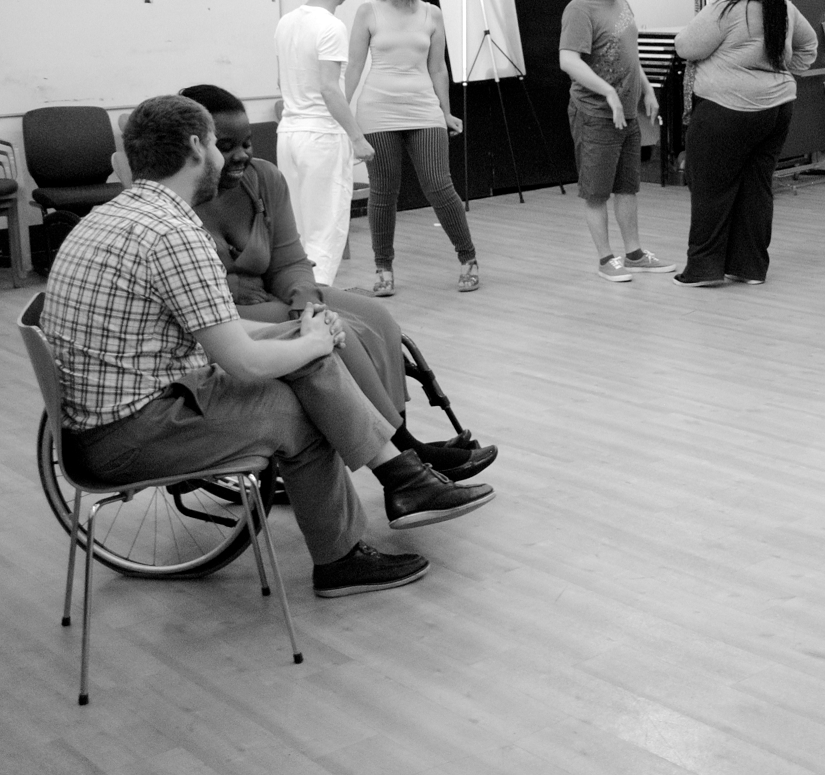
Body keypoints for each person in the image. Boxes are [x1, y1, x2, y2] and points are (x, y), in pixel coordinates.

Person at [41, 95, 494, 598]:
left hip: (114, 412)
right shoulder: (173, 232)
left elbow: (219, 330)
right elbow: (243, 360)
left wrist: (306, 338)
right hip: (127, 435)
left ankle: (401, 478)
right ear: (196, 145)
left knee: (309, 351)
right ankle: (357, 536)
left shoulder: (116, 213)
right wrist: (309, 341)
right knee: (301, 412)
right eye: (216, 142)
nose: (222, 154)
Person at [178, 84, 497, 482]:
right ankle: (405, 450)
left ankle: (400, 430)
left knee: (377, 316)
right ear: (199, 146)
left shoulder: (264, 178)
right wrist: (314, 318)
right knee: (341, 330)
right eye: (226, 146)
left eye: (246, 142)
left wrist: (306, 306)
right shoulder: (178, 199)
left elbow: (290, 259)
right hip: (225, 314)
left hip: (275, 293)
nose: (241, 155)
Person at [672, 0, 818, 287]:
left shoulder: (725, 9)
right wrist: (777, 72)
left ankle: (704, 270)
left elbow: (686, 47)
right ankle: (749, 268)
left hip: (726, 111)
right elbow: (809, 47)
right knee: (757, 189)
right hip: (777, 110)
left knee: (712, 189)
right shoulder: (784, 9)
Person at [344, 0, 480, 296]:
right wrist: (342, 114)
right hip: (377, 110)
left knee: (438, 184)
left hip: (423, 109)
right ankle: (383, 268)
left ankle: (468, 259)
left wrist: (445, 111)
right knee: (383, 191)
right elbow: (355, 67)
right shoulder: (367, 12)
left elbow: (437, 67)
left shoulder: (431, 14)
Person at [558, 0, 676, 282]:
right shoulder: (580, 9)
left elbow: (629, 54)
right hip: (595, 114)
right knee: (597, 192)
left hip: (626, 113)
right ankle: (606, 259)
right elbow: (568, 60)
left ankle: (635, 254)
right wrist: (607, 91)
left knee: (627, 187)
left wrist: (647, 90)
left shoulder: (623, 6)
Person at [274, 0, 372, 287]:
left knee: (298, 228)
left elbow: (282, 82)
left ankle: (298, 297)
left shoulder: (286, 22)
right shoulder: (331, 26)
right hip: (320, 137)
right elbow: (330, 90)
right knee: (325, 229)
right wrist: (357, 137)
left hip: (288, 134)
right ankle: (316, 304)